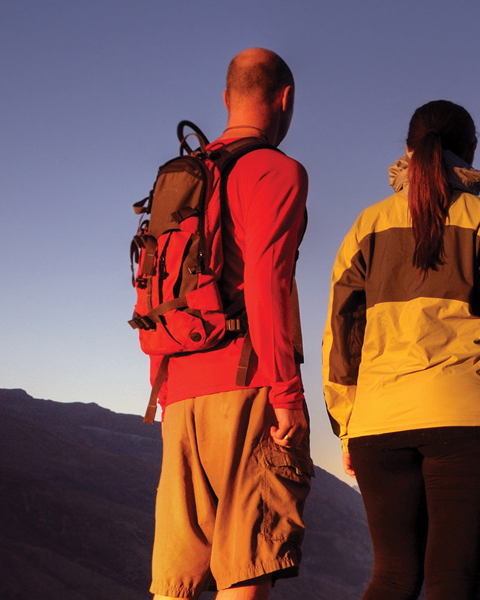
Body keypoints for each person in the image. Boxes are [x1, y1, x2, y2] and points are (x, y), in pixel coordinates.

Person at [323, 99, 480, 600]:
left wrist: (348, 424)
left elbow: (341, 336)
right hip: (467, 419)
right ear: (470, 152)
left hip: (378, 423)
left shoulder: (365, 227)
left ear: (408, 150)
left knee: (392, 577)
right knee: (452, 581)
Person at [149, 47, 312, 600]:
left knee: (177, 582)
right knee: (245, 567)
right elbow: (267, 283)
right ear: (285, 100)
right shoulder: (276, 171)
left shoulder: (186, 176)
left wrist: (164, 387)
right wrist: (287, 392)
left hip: (179, 392)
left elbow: (158, 284)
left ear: (226, 99)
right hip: (247, 388)